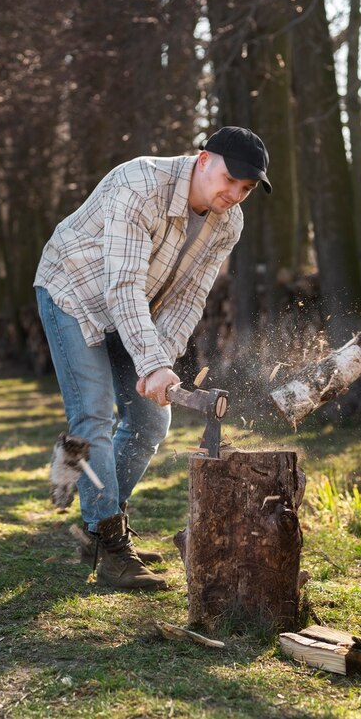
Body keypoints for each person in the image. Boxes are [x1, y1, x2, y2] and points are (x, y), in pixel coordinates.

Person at [34, 126, 272, 590]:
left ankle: (95, 525)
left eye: (246, 189)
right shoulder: (138, 184)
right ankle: (109, 545)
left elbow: (188, 300)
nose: (235, 194)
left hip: (136, 309)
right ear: (203, 160)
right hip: (74, 293)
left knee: (150, 423)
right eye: (230, 179)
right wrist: (151, 362)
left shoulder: (230, 222)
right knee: (95, 414)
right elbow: (121, 285)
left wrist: (160, 362)